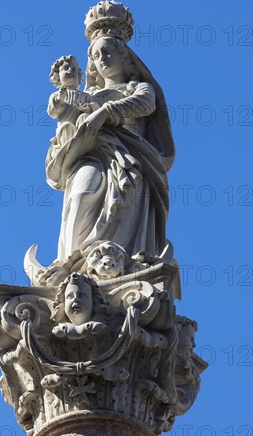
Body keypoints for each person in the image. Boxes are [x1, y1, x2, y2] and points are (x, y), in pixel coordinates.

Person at [46, 25, 175, 263]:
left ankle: (121, 264)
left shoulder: (138, 87)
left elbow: (145, 104)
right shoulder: (89, 94)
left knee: (124, 209)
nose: (101, 59)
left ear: (123, 54)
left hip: (131, 160)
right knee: (81, 194)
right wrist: (65, 100)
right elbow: (67, 126)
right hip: (91, 156)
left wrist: (105, 112)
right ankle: (73, 263)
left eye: (107, 52)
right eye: (95, 56)